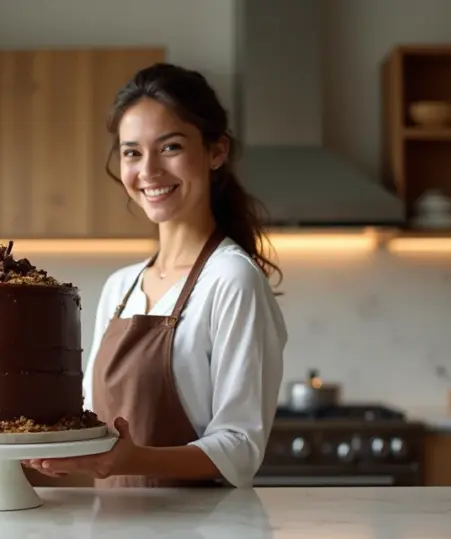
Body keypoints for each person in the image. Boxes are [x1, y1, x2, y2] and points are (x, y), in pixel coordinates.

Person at [23, 63, 287, 489]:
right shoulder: (120, 287)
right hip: (111, 523)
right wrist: (68, 449)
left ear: (216, 152)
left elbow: (241, 447)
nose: (148, 170)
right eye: (132, 152)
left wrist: (130, 460)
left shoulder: (232, 280)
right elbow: (96, 420)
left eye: (170, 147)